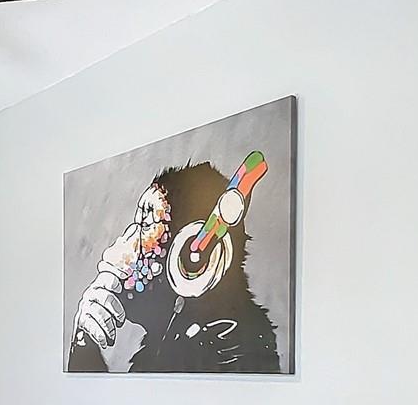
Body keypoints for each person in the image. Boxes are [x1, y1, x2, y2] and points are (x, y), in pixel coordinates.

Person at [68, 154, 279, 374]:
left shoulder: (234, 350)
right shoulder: (162, 348)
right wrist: (85, 342)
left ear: (194, 253)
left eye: (145, 224)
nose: (115, 249)